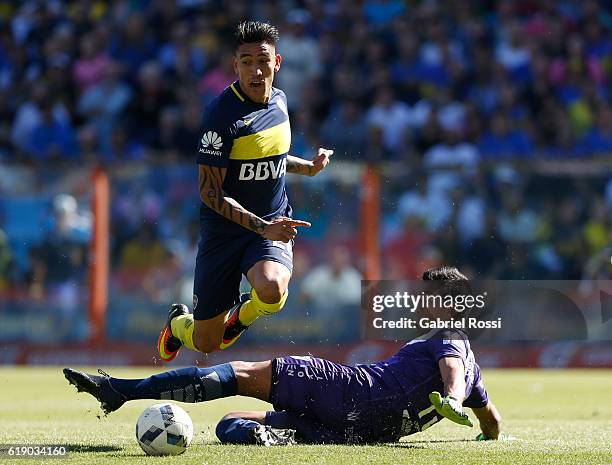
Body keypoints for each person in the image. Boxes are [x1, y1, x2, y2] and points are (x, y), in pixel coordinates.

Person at [65, 267, 502, 445]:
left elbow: (452, 371)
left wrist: (453, 398)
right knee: (230, 424)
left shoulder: (451, 338)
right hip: (360, 432)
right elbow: (493, 422)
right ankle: (279, 436)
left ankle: (119, 390)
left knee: (236, 373)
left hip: (349, 390)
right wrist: (477, 425)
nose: (419, 303)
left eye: (429, 297)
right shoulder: (472, 368)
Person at [157, 21, 334, 360]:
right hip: (223, 232)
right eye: (247, 61)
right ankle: (178, 323)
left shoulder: (280, 102)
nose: (255, 69)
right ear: (235, 65)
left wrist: (307, 168)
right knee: (207, 343)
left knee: (272, 288)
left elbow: (274, 158)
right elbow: (210, 192)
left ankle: (242, 315)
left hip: (269, 221)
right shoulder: (221, 115)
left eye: (263, 60)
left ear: (277, 62)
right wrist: (262, 226)